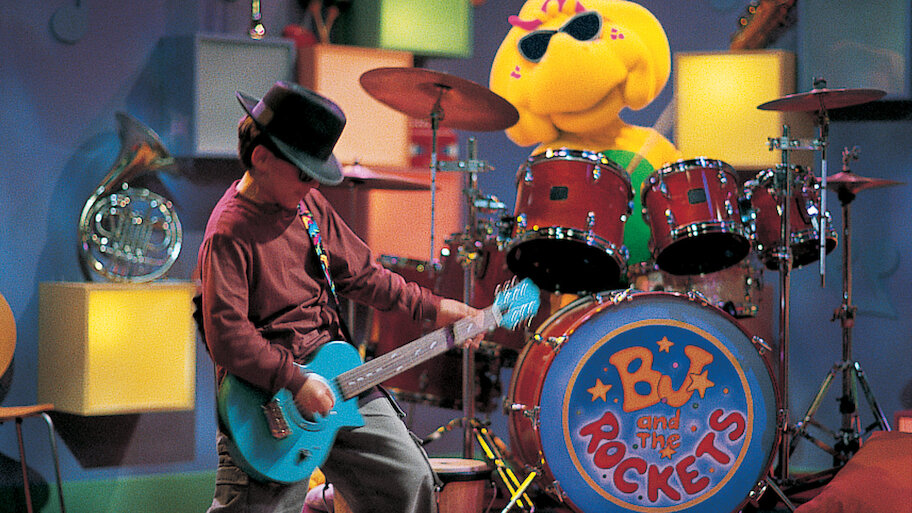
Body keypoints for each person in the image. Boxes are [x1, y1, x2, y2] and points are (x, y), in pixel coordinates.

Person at [196, 81, 485, 513]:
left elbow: (365, 276)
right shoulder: (229, 232)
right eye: (303, 171)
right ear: (261, 158)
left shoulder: (308, 207)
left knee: (409, 480)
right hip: (267, 400)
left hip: (338, 377)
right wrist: (295, 381)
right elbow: (228, 337)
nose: (313, 182)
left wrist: (436, 308)